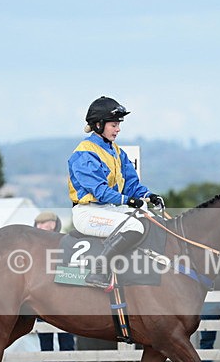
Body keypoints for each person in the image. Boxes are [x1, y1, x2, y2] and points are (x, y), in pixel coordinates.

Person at [68, 96, 164, 289]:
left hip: (109, 209)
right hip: (88, 212)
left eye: (118, 125)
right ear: (98, 125)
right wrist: (128, 201)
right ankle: (98, 270)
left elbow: (131, 185)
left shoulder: (117, 152)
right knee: (134, 226)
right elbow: (100, 191)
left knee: (149, 218)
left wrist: (148, 196)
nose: (118, 129)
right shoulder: (84, 153)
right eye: (113, 125)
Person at [34, 211, 76, 362]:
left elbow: (74, 271)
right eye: (39, 224)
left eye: (46, 224)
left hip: (63, 301)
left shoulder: (65, 243)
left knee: (67, 341)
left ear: (54, 225)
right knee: (45, 342)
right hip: (42, 302)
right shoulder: (34, 249)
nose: (42, 227)